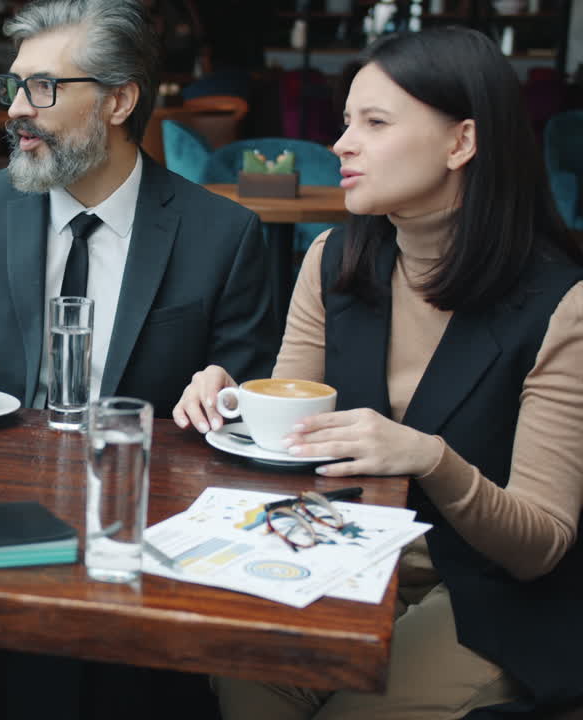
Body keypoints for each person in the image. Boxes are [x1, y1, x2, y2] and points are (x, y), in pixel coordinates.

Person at [173, 27, 583, 719]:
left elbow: (540, 545)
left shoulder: (559, 302)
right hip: (345, 557)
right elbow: (293, 438)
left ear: (461, 143)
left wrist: (430, 458)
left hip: (495, 595)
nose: (342, 143)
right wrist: (234, 402)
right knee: (248, 672)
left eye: (375, 122)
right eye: (345, 122)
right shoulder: (334, 261)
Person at [0, 0, 279, 419]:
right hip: (1, 470)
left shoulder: (223, 236)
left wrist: (228, 392)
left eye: (43, 86)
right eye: (14, 86)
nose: (17, 108)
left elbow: (243, 397)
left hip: (144, 472)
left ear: (118, 102)